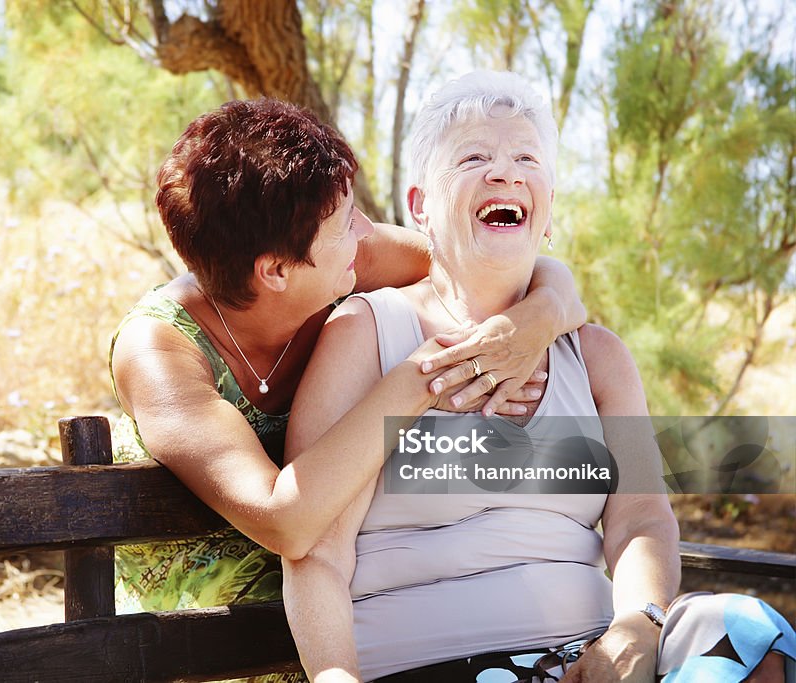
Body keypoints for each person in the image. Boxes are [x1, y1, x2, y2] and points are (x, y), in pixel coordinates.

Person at [281, 71, 796, 682]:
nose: (506, 172)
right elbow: (317, 549)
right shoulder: (365, 335)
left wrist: (637, 625)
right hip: (433, 663)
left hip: (588, 660)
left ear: (547, 209)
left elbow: (641, 519)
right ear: (420, 206)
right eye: (474, 157)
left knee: (750, 635)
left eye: (527, 156)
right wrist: (334, 677)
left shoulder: (598, 357)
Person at [108, 98, 589, 623]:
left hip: (348, 598)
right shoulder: (160, 352)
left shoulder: (347, 256)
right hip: (203, 630)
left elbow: (496, 265)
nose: (366, 230)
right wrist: (423, 378)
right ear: (275, 270)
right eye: (344, 223)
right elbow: (283, 520)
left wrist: (534, 320)